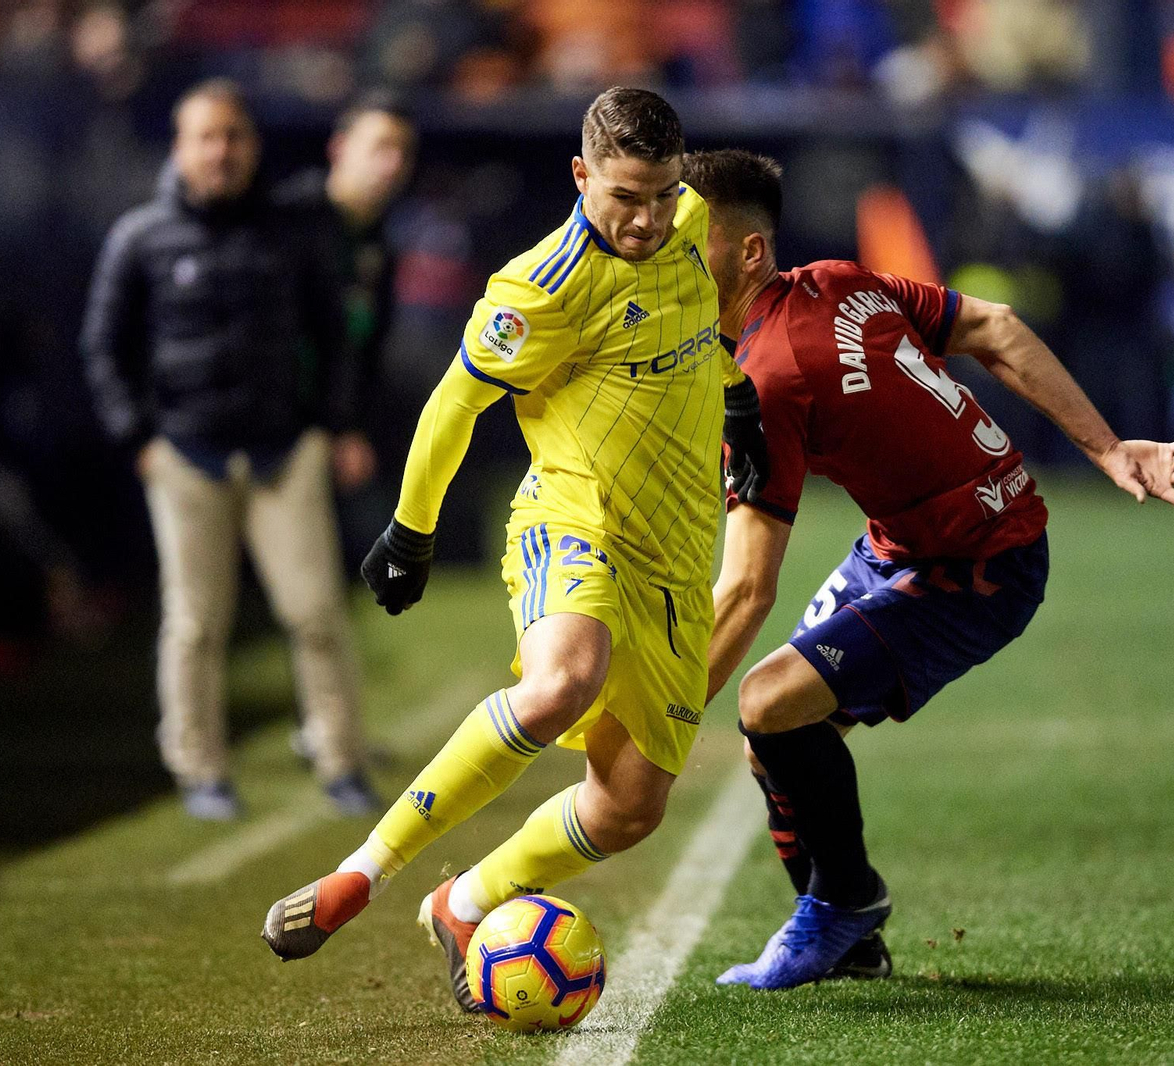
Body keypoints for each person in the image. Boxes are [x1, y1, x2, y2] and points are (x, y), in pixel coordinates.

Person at [260, 89, 771, 1016]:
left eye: (660, 193)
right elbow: (453, 406)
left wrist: (736, 395)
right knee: (560, 682)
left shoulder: (690, 222)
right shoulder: (539, 288)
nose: (647, 218)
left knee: (629, 807)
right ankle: (360, 876)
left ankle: (464, 904)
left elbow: (701, 318)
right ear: (581, 175)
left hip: (674, 555)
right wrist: (409, 533)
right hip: (576, 520)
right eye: (624, 196)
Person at [683, 149, 1174, 990]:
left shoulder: (769, 376)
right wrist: (1105, 447)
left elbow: (748, 587)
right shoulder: (832, 279)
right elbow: (993, 327)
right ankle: (848, 934)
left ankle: (843, 909)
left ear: (747, 253)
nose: (663, 251)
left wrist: (662, 726)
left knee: (767, 703)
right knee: (775, 742)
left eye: (688, 235)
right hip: (909, 544)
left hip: (978, 564)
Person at [80, 80, 378, 821]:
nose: (221, 151)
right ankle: (199, 768)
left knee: (315, 614)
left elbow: (334, 337)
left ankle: (342, 760)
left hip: (283, 451)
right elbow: (102, 347)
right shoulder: (140, 238)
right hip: (185, 455)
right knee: (195, 622)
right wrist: (139, 438)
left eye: (234, 137)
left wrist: (331, 426)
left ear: (252, 146)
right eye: (206, 137)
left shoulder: (291, 234)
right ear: (180, 148)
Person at [275, 90, 419, 760]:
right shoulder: (294, 222)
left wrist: (347, 426)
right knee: (298, 591)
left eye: (401, 152)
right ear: (340, 149)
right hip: (273, 429)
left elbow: (362, 348)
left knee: (327, 583)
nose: (391, 164)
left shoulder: (376, 245)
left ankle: (330, 728)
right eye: (378, 147)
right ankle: (328, 731)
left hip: (320, 432)